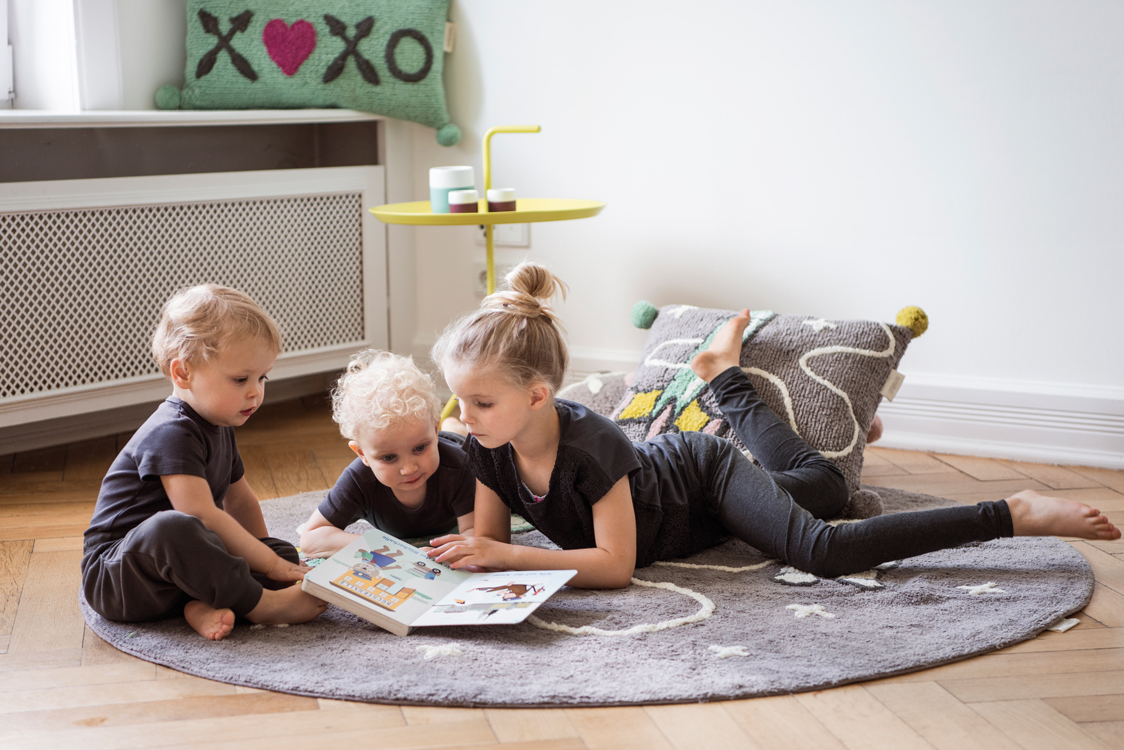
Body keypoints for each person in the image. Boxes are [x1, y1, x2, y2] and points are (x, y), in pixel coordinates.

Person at [425, 263, 1120, 589]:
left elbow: (613, 569)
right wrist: (461, 556)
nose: (462, 417)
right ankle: (723, 375)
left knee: (819, 547)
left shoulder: (592, 446)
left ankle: (1011, 513)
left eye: (480, 403)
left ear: (540, 394)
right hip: (695, 519)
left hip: (703, 475)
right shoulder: (487, 448)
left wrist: (513, 557)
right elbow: (485, 542)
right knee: (820, 482)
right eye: (459, 401)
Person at [82, 285, 328, 640]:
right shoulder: (170, 432)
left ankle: (197, 604)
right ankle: (262, 606)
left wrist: (267, 561)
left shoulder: (219, 423)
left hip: (177, 573)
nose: (255, 391)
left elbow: (239, 500)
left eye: (262, 377)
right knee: (173, 527)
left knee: (279, 550)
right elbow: (200, 515)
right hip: (119, 578)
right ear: (182, 373)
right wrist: (267, 569)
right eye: (241, 379)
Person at [298, 350, 475, 557]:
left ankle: (454, 429)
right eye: (389, 457)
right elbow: (311, 539)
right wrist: (385, 547)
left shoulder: (460, 466)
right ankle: (449, 429)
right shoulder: (358, 480)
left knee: (465, 441)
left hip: (456, 445)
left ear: (433, 432)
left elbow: (474, 534)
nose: (409, 468)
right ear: (362, 454)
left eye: (420, 448)